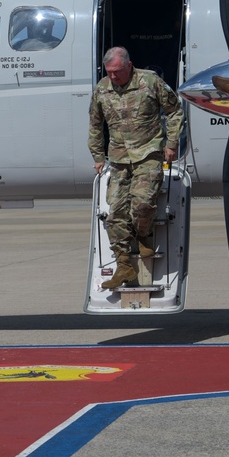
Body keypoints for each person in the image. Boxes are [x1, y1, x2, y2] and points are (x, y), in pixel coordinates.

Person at [87, 46, 184, 290]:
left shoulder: (150, 81)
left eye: (117, 72)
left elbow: (174, 110)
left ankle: (143, 234)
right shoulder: (102, 88)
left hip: (148, 153)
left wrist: (172, 143)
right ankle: (124, 265)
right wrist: (98, 156)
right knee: (115, 213)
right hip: (118, 157)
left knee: (142, 203)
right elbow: (95, 124)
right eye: (109, 72)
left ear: (129, 66)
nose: (113, 77)